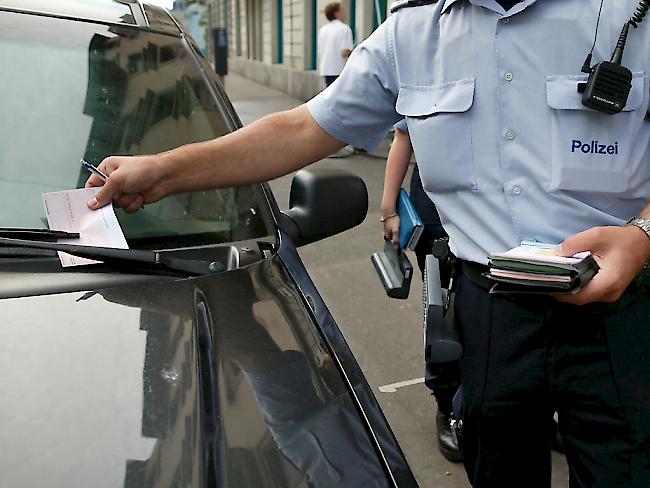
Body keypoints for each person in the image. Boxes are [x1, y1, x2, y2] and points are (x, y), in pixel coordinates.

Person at [86, 0, 650, 486]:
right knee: (498, 471)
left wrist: (642, 235)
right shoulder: (412, 33)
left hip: (620, 312)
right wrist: (161, 171)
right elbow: (304, 128)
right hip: (492, 310)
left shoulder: (629, 15)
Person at [382, 119, 462, 463]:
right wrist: (388, 209)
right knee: (442, 313)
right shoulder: (429, 64)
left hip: (508, 208)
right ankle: (448, 408)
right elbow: (404, 136)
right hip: (437, 214)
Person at [318, 3, 353, 87]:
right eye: (342, 10)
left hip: (326, 69)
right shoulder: (345, 28)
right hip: (340, 69)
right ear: (336, 13)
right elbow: (344, 52)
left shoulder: (323, 30)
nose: (345, 12)